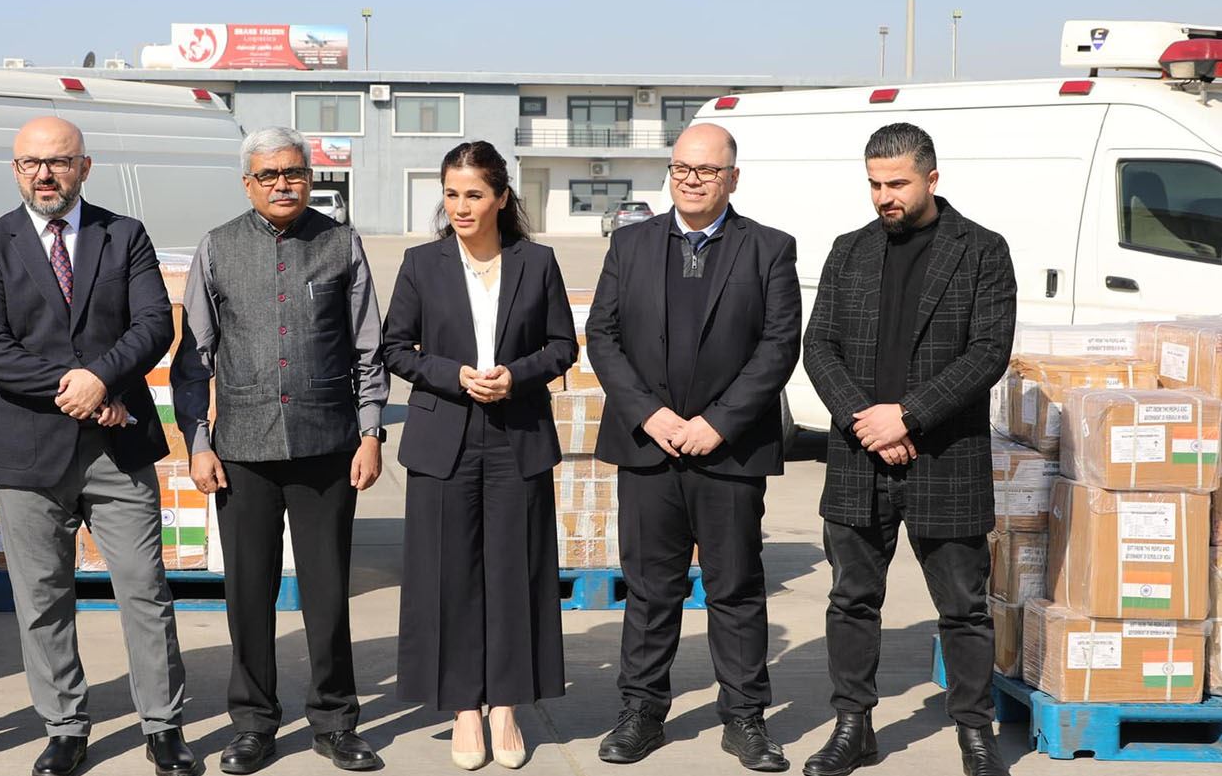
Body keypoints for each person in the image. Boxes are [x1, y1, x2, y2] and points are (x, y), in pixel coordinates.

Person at [0, 116, 196, 776]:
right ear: (15, 169)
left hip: (118, 447)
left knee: (145, 591)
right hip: (30, 453)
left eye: (59, 161)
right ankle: (65, 727)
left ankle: (163, 726)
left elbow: (154, 323)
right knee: (43, 598)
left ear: (84, 167)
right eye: (31, 162)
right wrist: (80, 387)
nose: (45, 174)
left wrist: (102, 378)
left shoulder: (124, 235)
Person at [801, 122, 1016, 776]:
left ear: (932, 178)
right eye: (874, 184)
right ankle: (853, 727)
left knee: (964, 608)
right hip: (858, 459)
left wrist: (908, 418)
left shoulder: (982, 250)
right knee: (851, 600)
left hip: (945, 457)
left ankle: (975, 733)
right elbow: (819, 346)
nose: (883, 196)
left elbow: (987, 353)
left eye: (896, 183)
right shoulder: (849, 250)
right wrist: (867, 424)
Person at [172, 126, 388, 775]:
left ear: (310, 178)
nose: (283, 184)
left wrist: (371, 432)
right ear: (248, 183)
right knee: (248, 594)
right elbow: (194, 359)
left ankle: (335, 720)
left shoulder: (341, 243)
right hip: (241, 450)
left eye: (294, 172)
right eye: (268, 175)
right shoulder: (217, 248)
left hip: (328, 447)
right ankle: (252, 724)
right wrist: (198, 443)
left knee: (327, 593)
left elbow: (368, 348)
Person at [586, 122, 801, 773]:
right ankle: (641, 712)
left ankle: (745, 718)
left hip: (728, 453)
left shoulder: (768, 249)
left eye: (707, 170)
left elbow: (778, 346)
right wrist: (649, 414)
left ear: (733, 178)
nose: (692, 180)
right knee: (650, 590)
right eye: (682, 168)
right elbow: (603, 336)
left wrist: (719, 422)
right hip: (648, 447)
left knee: (736, 588)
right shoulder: (630, 244)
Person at [382, 141, 577, 770]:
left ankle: (506, 707)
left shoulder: (536, 262)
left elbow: (562, 346)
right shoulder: (421, 263)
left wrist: (516, 376)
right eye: (450, 194)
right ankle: (465, 707)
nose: (460, 207)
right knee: (448, 575)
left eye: (473, 194)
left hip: (517, 433)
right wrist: (452, 374)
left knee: (516, 573)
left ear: (500, 197)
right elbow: (395, 348)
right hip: (444, 435)